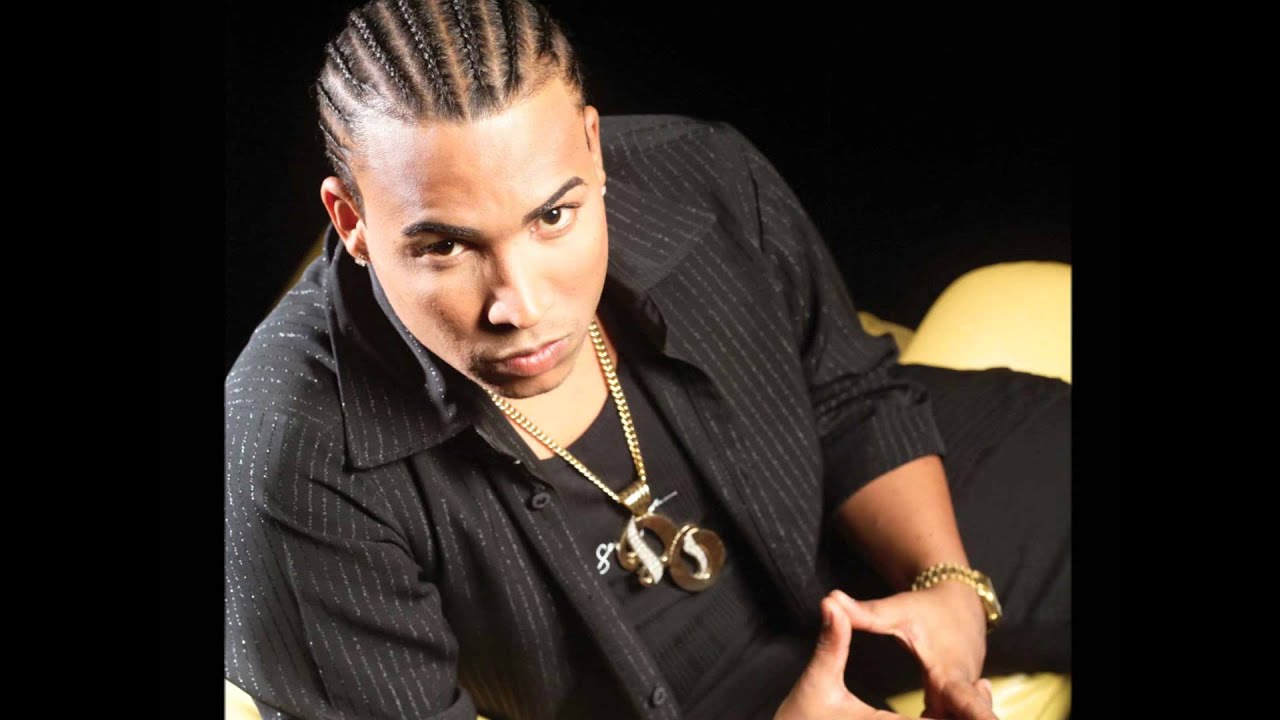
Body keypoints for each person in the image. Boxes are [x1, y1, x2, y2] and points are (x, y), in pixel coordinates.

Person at [224, 1, 1071, 718]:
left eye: (553, 217)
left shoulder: (699, 174)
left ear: (593, 150)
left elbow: (849, 392)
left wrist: (947, 584)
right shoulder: (286, 458)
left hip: (821, 537)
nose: (520, 304)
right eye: (445, 246)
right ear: (351, 221)